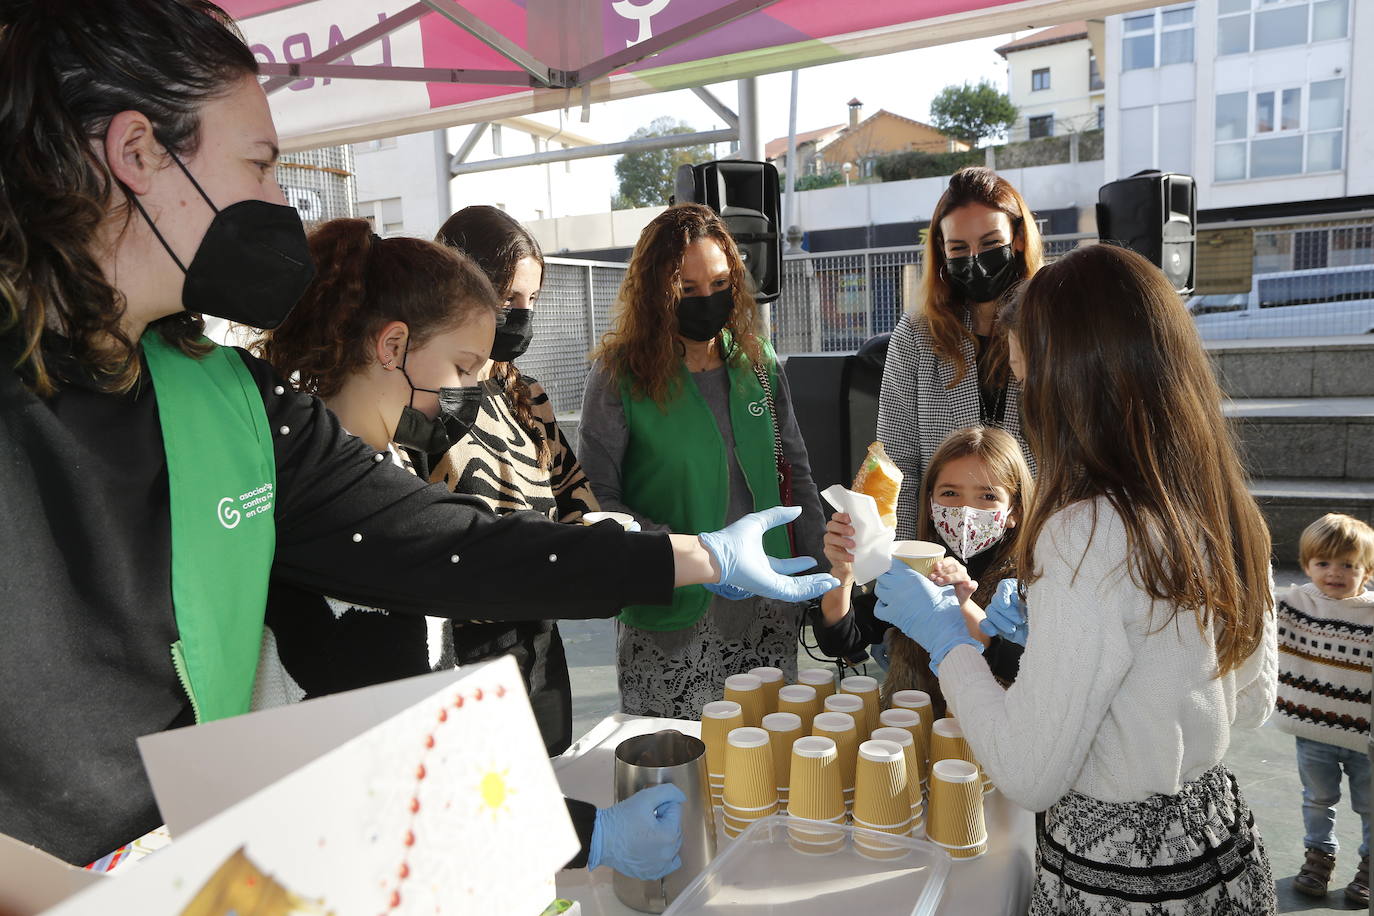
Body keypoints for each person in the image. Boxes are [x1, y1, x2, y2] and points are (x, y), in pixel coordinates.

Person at [0, 0, 836, 867]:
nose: (279, 202)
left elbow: (446, 545)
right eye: (258, 163)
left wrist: (693, 556)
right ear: (136, 153)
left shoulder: (224, 398)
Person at [874, 243, 1279, 912]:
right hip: (1219, 847)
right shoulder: (1220, 503)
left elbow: (1028, 773)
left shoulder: (1084, 533)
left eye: (1029, 377)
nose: (1027, 397)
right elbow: (1249, 699)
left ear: (1071, 384)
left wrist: (948, 640)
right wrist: (1063, 644)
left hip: (1119, 879)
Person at [579, 203, 828, 717]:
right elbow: (599, 497)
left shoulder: (757, 363)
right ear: (655, 294)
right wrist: (689, 554)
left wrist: (824, 580)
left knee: (765, 764)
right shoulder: (620, 376)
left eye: (719, 284)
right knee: (679, 771)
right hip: (670, 612)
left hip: (768, 605)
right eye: (686, 290)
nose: (707, 300)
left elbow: (795, 474)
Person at [430, 204, 594, 756]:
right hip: (459, 651)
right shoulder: (424, 398)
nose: (520, 315)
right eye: (507, 300)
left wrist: (607, 532)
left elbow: (575, 496)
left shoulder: (529, 394)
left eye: (530, 301)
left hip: (537, 638)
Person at [817, 426, 1033, 716]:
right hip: (908, 737)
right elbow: (840, 640)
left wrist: (966, 617)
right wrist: (843, 573)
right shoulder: (914, 567)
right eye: (950, 493)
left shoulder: (1033, 582)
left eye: (987, 497)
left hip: (990, 745)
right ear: (931, 505)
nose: (966, 509)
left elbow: (1038, 677)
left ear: (1014, 512)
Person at [877, 167, 1042, 542]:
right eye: (958, 249)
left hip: (1039, 546)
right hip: (940, 550)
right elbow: (896, 461)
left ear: (1017, 238)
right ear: (941, 251)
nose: (976, 259)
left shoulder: (1054, 328)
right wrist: (903, 562)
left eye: (989, 243)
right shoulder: (917, 334)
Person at [1274, 513, 1374, 904]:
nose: (1335, 573)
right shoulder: (1292, 605)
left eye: (1348, 565)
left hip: (1367, 736)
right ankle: (1319, 856)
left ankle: (1368, 865)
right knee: (1317, 798)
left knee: (1370, 805)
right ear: (1306, 565)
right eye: (1323, 563)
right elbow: (1251, 607)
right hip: (1313, 730)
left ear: (1367, 570)